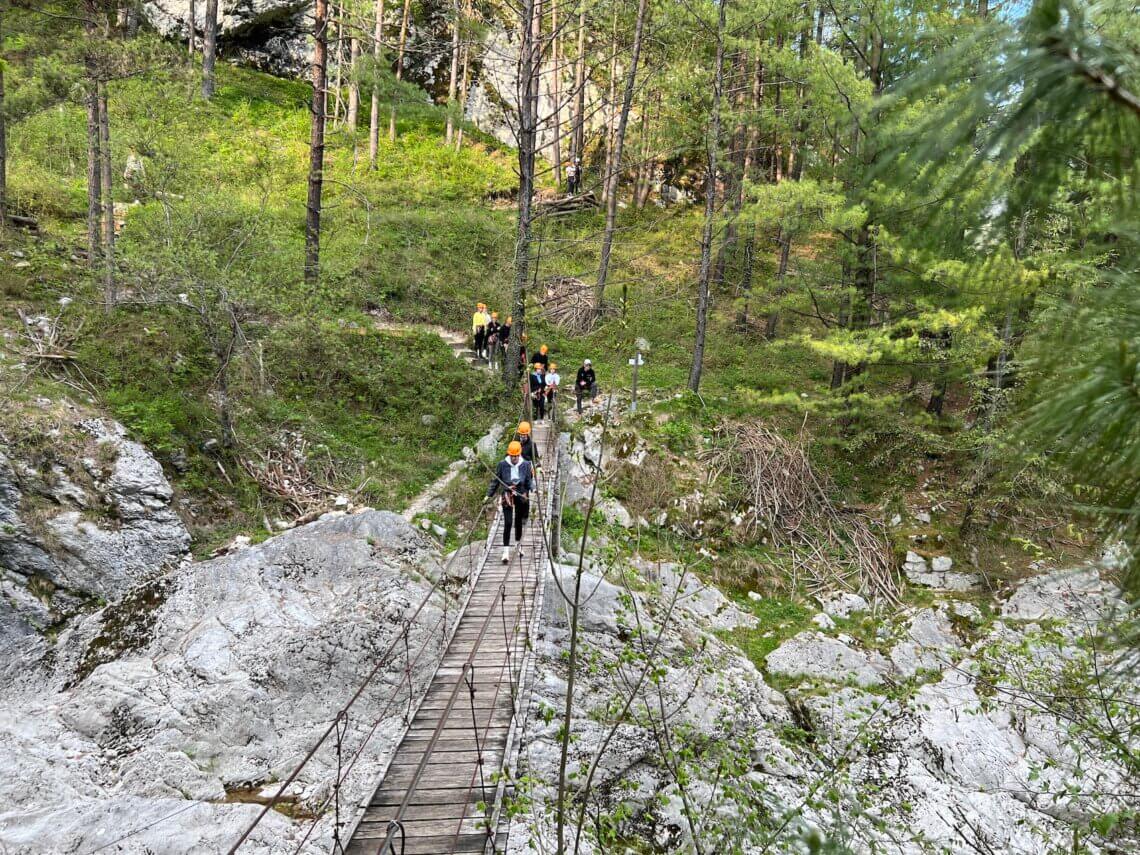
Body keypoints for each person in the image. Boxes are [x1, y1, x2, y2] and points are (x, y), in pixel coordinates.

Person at [487, 440, 535, 563]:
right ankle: (506, 551)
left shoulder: (525, 464)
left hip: (520, 493)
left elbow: (528, 481)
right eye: (512, 456)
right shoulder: (502, 464)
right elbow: (496, 481)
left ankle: (518, 546)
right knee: (508, 522)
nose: (514, 458)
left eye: (516, 456)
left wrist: (533, 489)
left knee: (518, 521)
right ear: (509, 455)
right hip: (507, 494)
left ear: (519, 455)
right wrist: (488, 495)